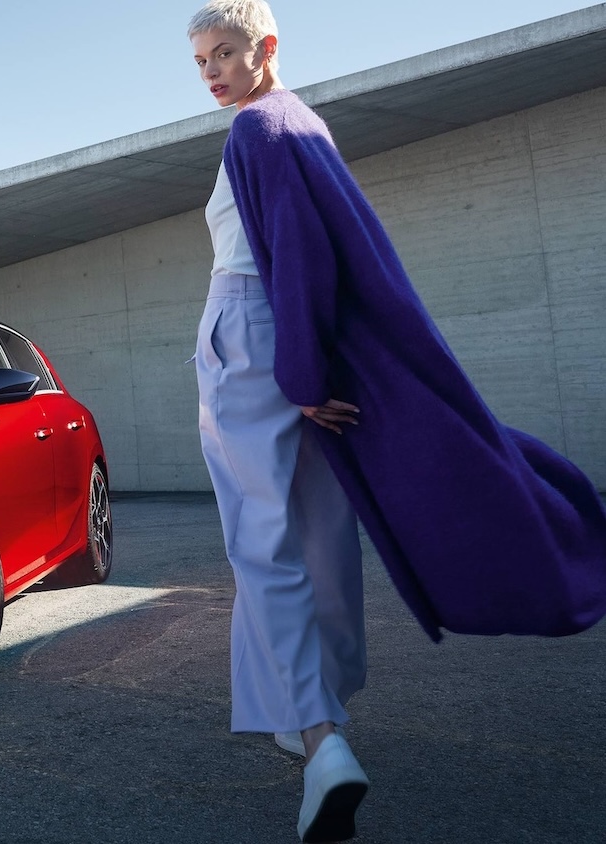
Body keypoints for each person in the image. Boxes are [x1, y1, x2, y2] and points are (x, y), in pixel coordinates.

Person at [187, 2, 606, 841]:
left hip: (251, 339)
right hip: (295, 340)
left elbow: (296, 249)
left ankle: (319, 738)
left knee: (263, 544)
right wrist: (311, 362)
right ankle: (315, 709)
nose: (212, 73)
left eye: (225, 53)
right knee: (322, 536)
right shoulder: (302, 122)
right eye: (201, 61)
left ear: (267, 46)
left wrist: (299, 374)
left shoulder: (256, 129)